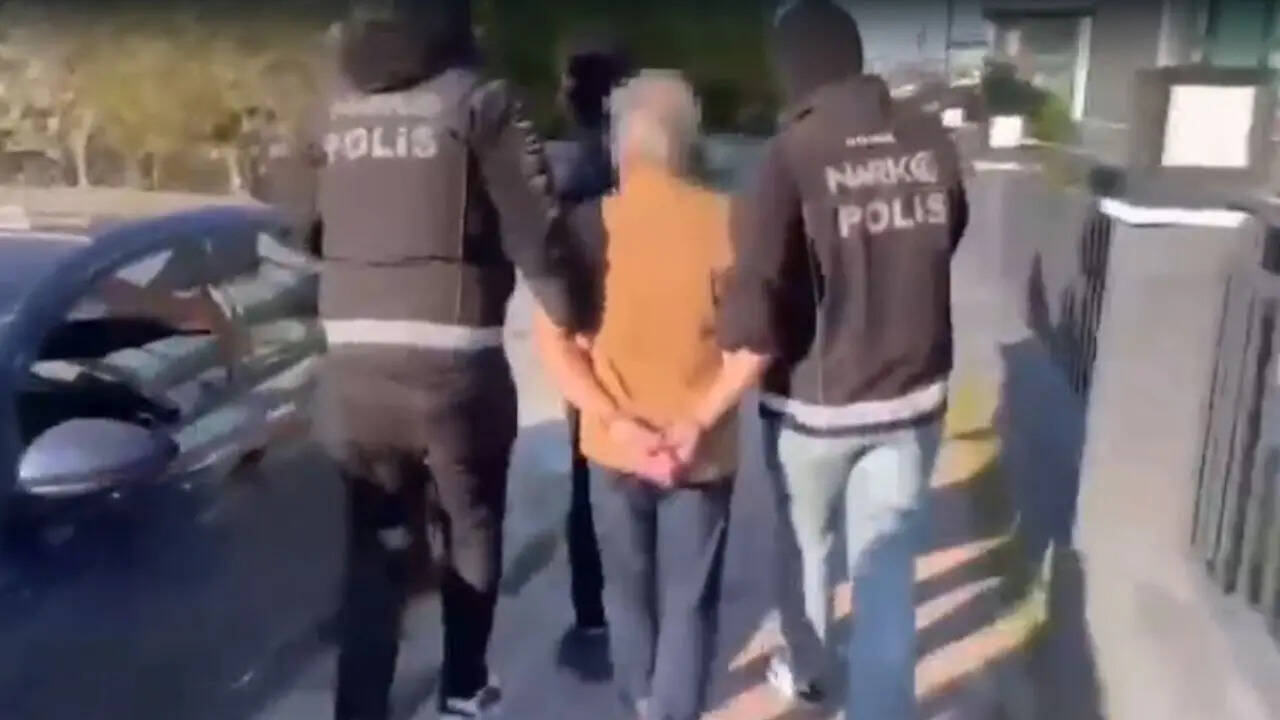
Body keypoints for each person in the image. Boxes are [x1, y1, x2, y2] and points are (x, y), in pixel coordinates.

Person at [310, 1, 576, 718]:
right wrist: (574, 315)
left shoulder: (332, 107)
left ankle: (357, 708)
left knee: (373, 545)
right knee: (470, 521)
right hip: (454, 363)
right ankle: (463, 688)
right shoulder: (482, 101)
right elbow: (537, 233)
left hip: (353, 362)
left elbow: (301, 217)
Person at [717, 1, 969, 717]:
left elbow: (755, 301)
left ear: (792, 68)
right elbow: (948, 234)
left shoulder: (790, 154)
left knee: (805, 550)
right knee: (886, 576)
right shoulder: (930, 141)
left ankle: (809, 674)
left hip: (812, 408)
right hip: (912, 398)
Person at [534, 71, 763, 720]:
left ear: (620, 145)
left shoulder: (583, 226)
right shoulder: (731, 220)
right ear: (688, 143)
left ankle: (639, 705)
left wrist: (617, 422)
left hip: (616, 450)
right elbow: (756, 343)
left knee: (626, 597)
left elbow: (555, 343)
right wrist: (697, 420)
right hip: (701, 451)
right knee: (691, 602)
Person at [545, 32, 631, 640]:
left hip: (584, 336)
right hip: (648, 329)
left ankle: (592, 608)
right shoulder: (647, 160)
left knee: (587, 471)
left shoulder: (560, 169)